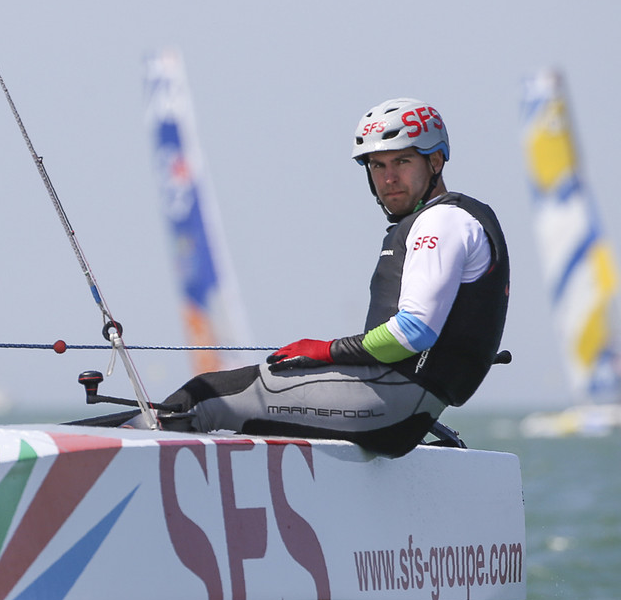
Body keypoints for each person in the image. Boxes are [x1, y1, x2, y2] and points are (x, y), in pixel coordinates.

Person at [158, 98, 510, 457]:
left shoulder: (442, 221)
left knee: (200, 399)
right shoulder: (457, 218)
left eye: (402, 162)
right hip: (401, 404)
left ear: (435, 161)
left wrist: (324, 351)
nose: (389, 178)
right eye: (377, 165)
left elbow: (414, 332)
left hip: (390, 404)